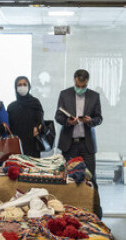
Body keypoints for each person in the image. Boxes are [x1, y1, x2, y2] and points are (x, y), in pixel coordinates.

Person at [55, 69, 103, 217]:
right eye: (78, 85)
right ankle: (68, 211)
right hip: (69, 144)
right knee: (68, 178)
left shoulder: (94, 96)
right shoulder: (65, 94)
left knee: (91, 178)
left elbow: (99, 118)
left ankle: (95, 212)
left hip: (86, 144)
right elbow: (58, 116)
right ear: (74, 80)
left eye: (83, 86)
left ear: (87, 82)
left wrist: (90, 121)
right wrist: (68, 121)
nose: (80, 88)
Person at [8, 76, 45, 158]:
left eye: (25, 84)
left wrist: (37, 128)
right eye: (19, 85)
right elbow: (9, 127)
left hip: (33, 144)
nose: (22, 87)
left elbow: (40, 121)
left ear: (29, 86)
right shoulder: (11, 107)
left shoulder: (35, 102)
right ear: (16, 88)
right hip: (16, 146)